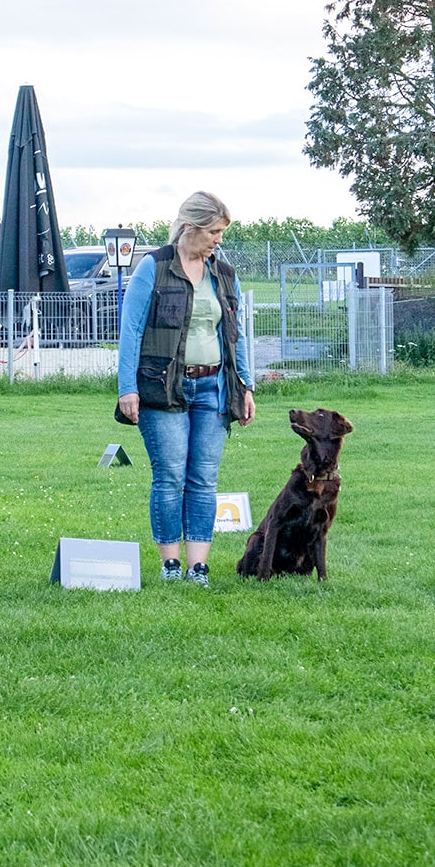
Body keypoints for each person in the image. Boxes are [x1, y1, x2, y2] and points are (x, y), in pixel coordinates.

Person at [117, 192, 255, 586]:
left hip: (214, 387)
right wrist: (128, 388)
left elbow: (235, 336)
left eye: (221, 233)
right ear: (191, 228)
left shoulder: (224, 274)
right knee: (170, 476)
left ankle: (198, 568)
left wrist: (244, 386)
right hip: (164, 388)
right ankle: (170, 565)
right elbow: (131, 333)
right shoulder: (154, 268)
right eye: (213, 232)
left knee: (203, 478)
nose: (218, 240)